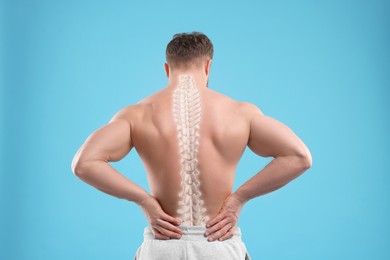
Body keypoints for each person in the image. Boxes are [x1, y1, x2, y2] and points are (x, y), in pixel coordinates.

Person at [71, 32, 312, 260]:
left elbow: (84, 163)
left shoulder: (137, 114)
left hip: (163, 244)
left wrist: (144, 200)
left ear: (167, 69)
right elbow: (299, 156)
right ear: (208, 66)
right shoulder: (240, 113)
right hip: (217, 244)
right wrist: (239, 198)